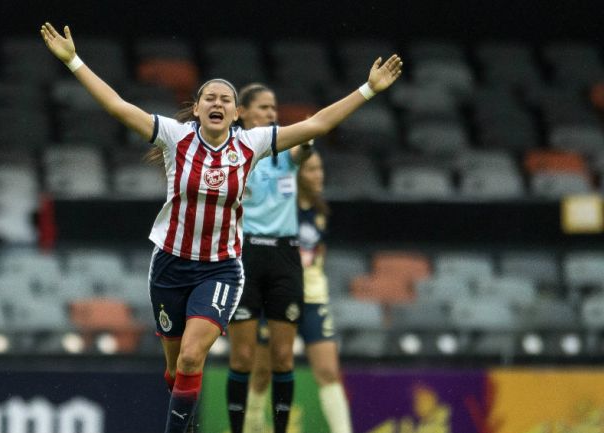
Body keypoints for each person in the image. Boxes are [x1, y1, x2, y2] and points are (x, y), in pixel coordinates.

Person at [40, 22, 402, 433]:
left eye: (225, 99)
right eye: (209, 97)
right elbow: (118, 107)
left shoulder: (252, 143)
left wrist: (368, 89)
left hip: (221, 269)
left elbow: (316, 125)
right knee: (177, 371)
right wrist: (73, 60)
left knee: (193, 358)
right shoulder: (175, 137)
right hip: (170, 266)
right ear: (196, 108)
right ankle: (188, 420)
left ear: (234, 113)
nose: (217, 102)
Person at [242, 150, 354, 433]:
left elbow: (318, 253)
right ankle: (252, 425)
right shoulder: (278, 207)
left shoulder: (319, 210)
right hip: (277, 298)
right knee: (262, 373)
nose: (319, 176)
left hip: (313, 299)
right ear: (296, 175)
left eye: (320, 169)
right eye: (312, 170)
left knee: (328, 371)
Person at [225, 83, 313, 433]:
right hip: (244, 255)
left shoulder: (286, 151)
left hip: (285, 257)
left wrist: (306, 140)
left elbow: (304, 153)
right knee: (243, 356)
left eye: (274, 108)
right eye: (263, 107)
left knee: (282, 356)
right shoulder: (231, 151)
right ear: (242, 112)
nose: (271, 114)